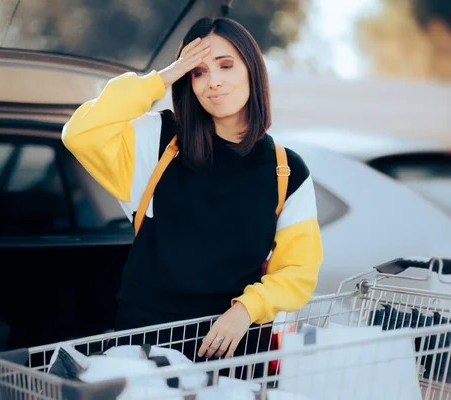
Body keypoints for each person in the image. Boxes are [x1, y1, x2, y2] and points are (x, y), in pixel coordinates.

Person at [62, 16, 323, 361]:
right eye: (198, 72)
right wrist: (160, 79)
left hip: (234, 347)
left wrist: (246, 309)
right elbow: (79, 133)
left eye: (226, 65)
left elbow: (298, 271)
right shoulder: (157, 141)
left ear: (252, 70)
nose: (213, 82)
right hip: (146, 346)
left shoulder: (287, 171)